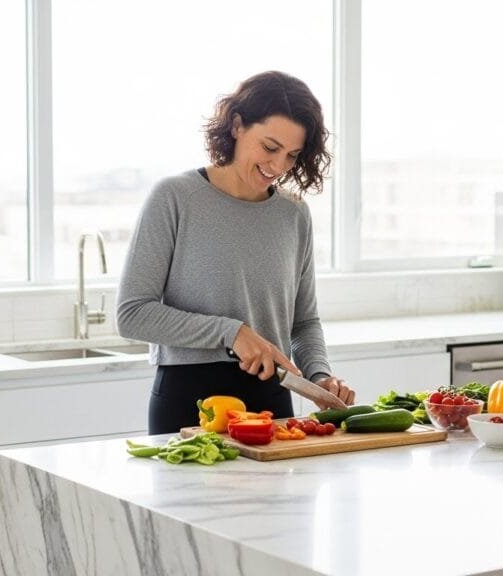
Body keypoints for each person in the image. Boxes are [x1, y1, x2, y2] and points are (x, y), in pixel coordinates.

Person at [116, 70, 354, 435]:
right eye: (270, 147)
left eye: (292, 155)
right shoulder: (174, 198)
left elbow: (303, 322)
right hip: (188, 402)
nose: (278, 167)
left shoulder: (293, 214)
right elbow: (132, 314)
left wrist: (320, 376)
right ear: (237, 126)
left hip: (272, 404)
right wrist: (231, 333)